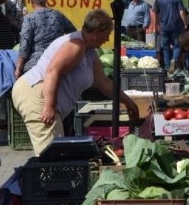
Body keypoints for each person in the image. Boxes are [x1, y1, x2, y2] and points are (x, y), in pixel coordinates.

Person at [11, 10, 140, 155]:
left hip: (37, 93)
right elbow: (53, 71)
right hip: (35, 94)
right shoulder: (76, 45)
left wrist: (128, 102)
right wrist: (49, 106)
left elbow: (103, 82)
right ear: (97, 32)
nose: (107, 39)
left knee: (54, 155)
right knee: (51, 157)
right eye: (107, 34)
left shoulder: (89, 51)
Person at [14, 0, 76, 78]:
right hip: (58, 62)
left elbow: (24, 47)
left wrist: (18, 68)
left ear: (30, 1)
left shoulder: (29, 18)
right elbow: (73, 34)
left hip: (36, 66)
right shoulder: (58, 15)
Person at [152, 0, 187, 71]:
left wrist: (156, 25)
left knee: (166, 47)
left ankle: (167, 67)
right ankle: (174, 60)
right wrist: (186, 23)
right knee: (177, 45)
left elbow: (155, 14)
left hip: (164, 27)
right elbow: (182, 12)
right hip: (176, 26)